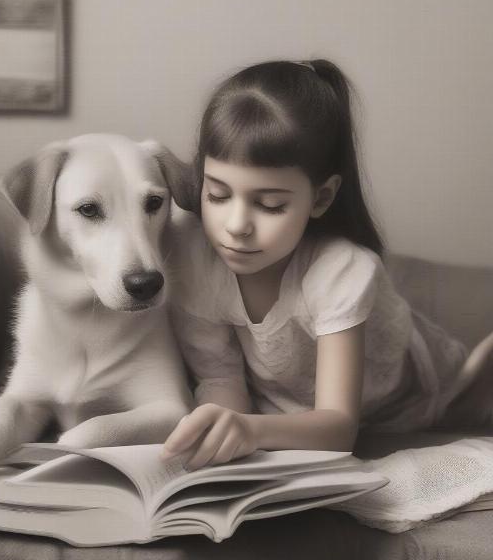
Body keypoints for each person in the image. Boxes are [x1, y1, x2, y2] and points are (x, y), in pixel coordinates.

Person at [160, 59, 493, 471]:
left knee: (463, 401)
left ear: (320, 198)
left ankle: (473, 389)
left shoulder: (340, 270)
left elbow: (337, 429)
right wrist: (219, 431)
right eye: (218, 195)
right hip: (296, 407)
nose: (236, 226)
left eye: (269, 205)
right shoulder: (194, 265)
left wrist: (252, 430)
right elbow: (221, 384)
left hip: (422, 388)